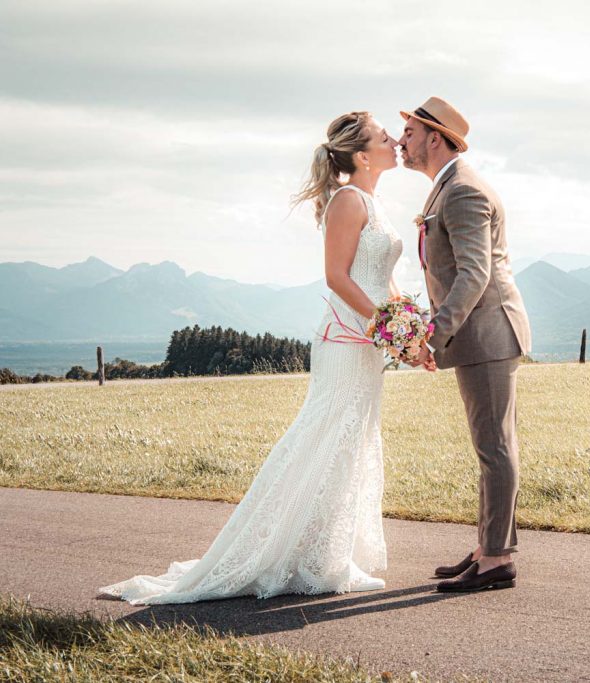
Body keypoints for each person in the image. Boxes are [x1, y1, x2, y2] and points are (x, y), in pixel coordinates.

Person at [99, 112, 406, 604]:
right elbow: (337, 277)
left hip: (369, 340)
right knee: (327, 433)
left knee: (354, 438)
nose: (395, 140)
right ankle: (280, 551)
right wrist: (387, 325)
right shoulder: (349, 201)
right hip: (347, 340)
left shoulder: (375, 202)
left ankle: (325, 553)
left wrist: (405, 327)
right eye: (384, 136)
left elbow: (382, 276)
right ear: (362, 155)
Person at [398, 97, 531, 592]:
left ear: (435, 137)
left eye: (409, 132)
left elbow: (474, 274)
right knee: (492, 446)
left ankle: (497, 559)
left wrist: (434, 335)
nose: (402, 141)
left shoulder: (463, 190)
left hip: (488, 334)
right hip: (482, 335)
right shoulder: (449, 188)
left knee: (495, 447)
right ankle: (487, 548)